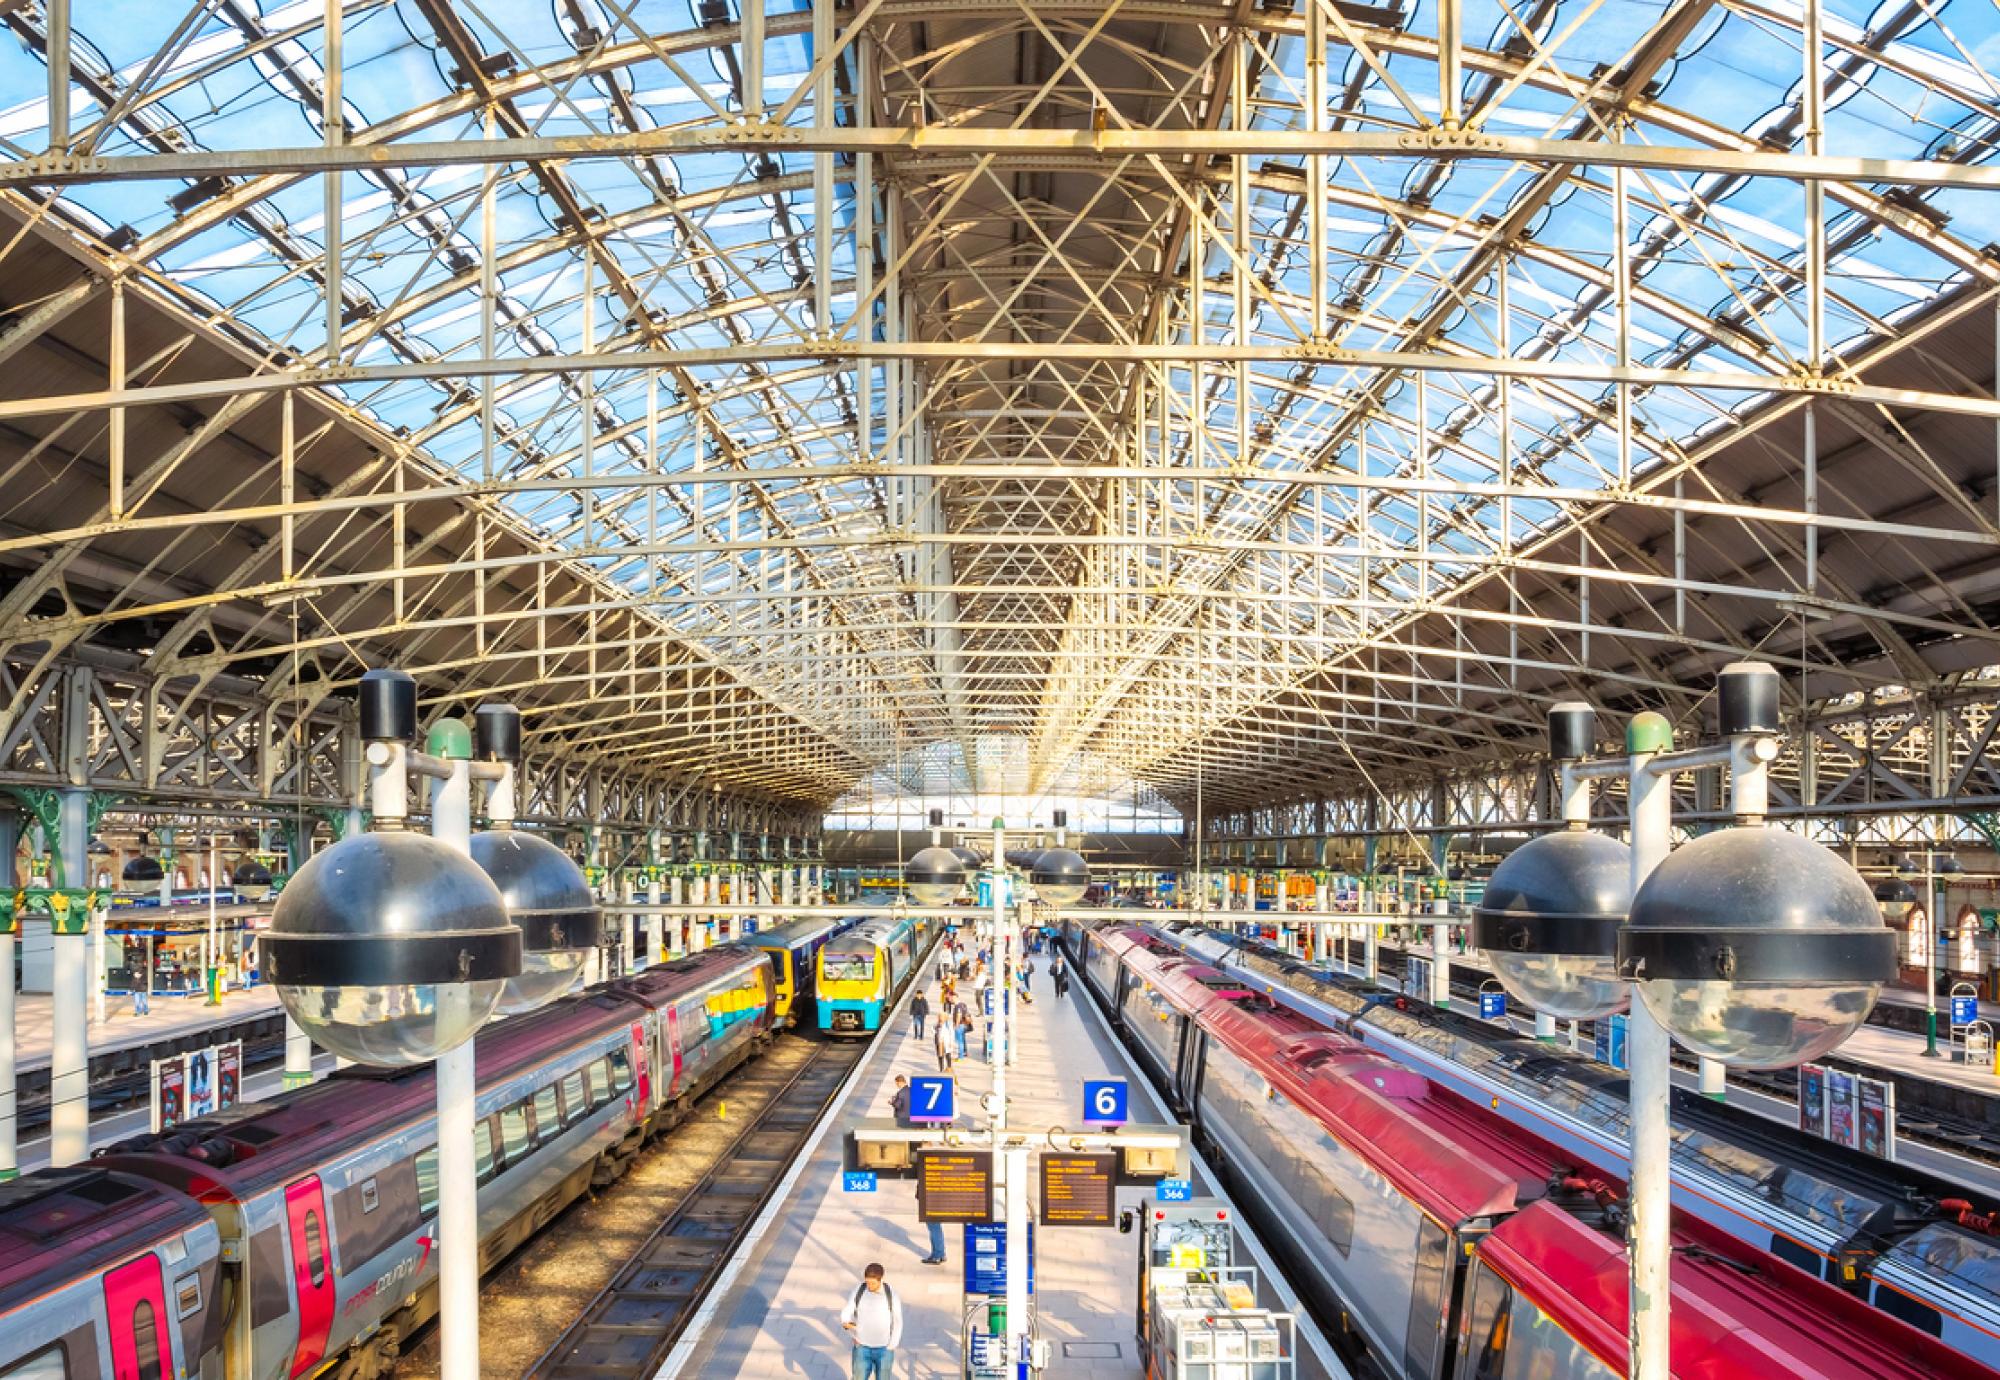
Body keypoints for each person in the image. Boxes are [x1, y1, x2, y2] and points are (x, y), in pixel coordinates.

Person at [841, 1262, 904, 1378]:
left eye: (872, 1283)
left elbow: (898, 1321)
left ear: (881, 1279)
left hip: (884, 1348)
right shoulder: (859, 1290)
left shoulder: (891, 1295)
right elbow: (848, 1310)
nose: (869, 1286)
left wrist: (892, 1345)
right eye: (867, 1282)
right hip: (862, 1347)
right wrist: (849, 1328)